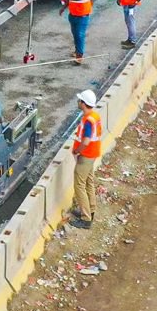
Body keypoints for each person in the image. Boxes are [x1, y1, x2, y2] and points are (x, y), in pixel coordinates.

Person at [69, 89, 103, 229]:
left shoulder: (88, 121)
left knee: (79, 185)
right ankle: (91, 210)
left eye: (80, 100)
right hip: (93, 154)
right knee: (89, 181)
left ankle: (85, 218)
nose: (78, 102)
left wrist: (77, 151)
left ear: (83, 103)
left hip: (86, 156)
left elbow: (86, 140)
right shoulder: (94, 116)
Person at [60, 0, 93, 64]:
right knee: (75, 34)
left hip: (82, 16)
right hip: (73, 15)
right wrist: (63, 8)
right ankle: (77, 51)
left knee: (80, 35)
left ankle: (79, 56)